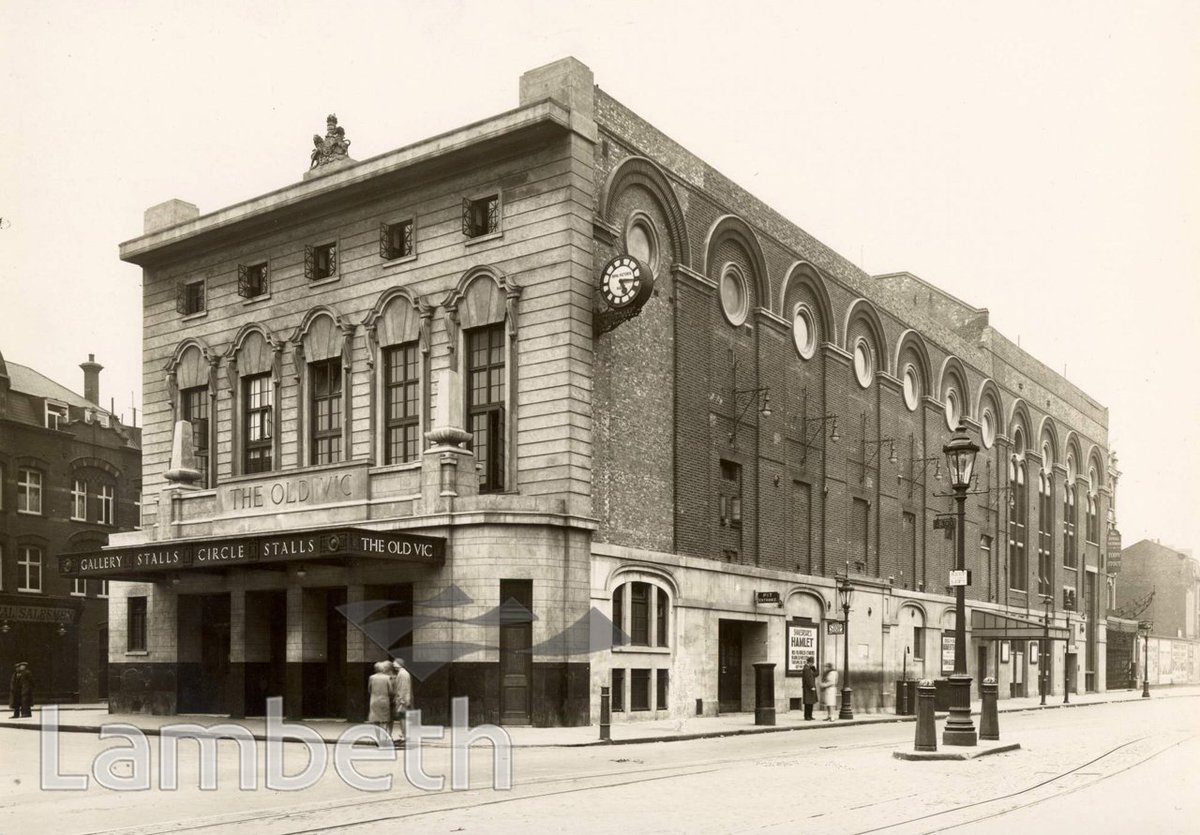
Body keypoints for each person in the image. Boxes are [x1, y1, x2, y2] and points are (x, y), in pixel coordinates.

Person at [366, 661, 395, 740]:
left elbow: (369, 689)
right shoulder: (387, 678)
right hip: (384, 701)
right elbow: (390, 690)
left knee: (376, 721)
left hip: (374, 701)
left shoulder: (371, 678)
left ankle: (378, 738)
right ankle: (384, 738)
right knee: (384, 721)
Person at [391, 658, 413, 745]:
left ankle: (404, 737)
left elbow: (403, 688)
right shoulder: (403, 673)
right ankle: (404, 735)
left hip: (402, 701)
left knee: (403, 719)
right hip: (403, 700)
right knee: (403, 719)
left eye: (394, 664)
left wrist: (401, 701)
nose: (393, 665)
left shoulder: (402, 674)